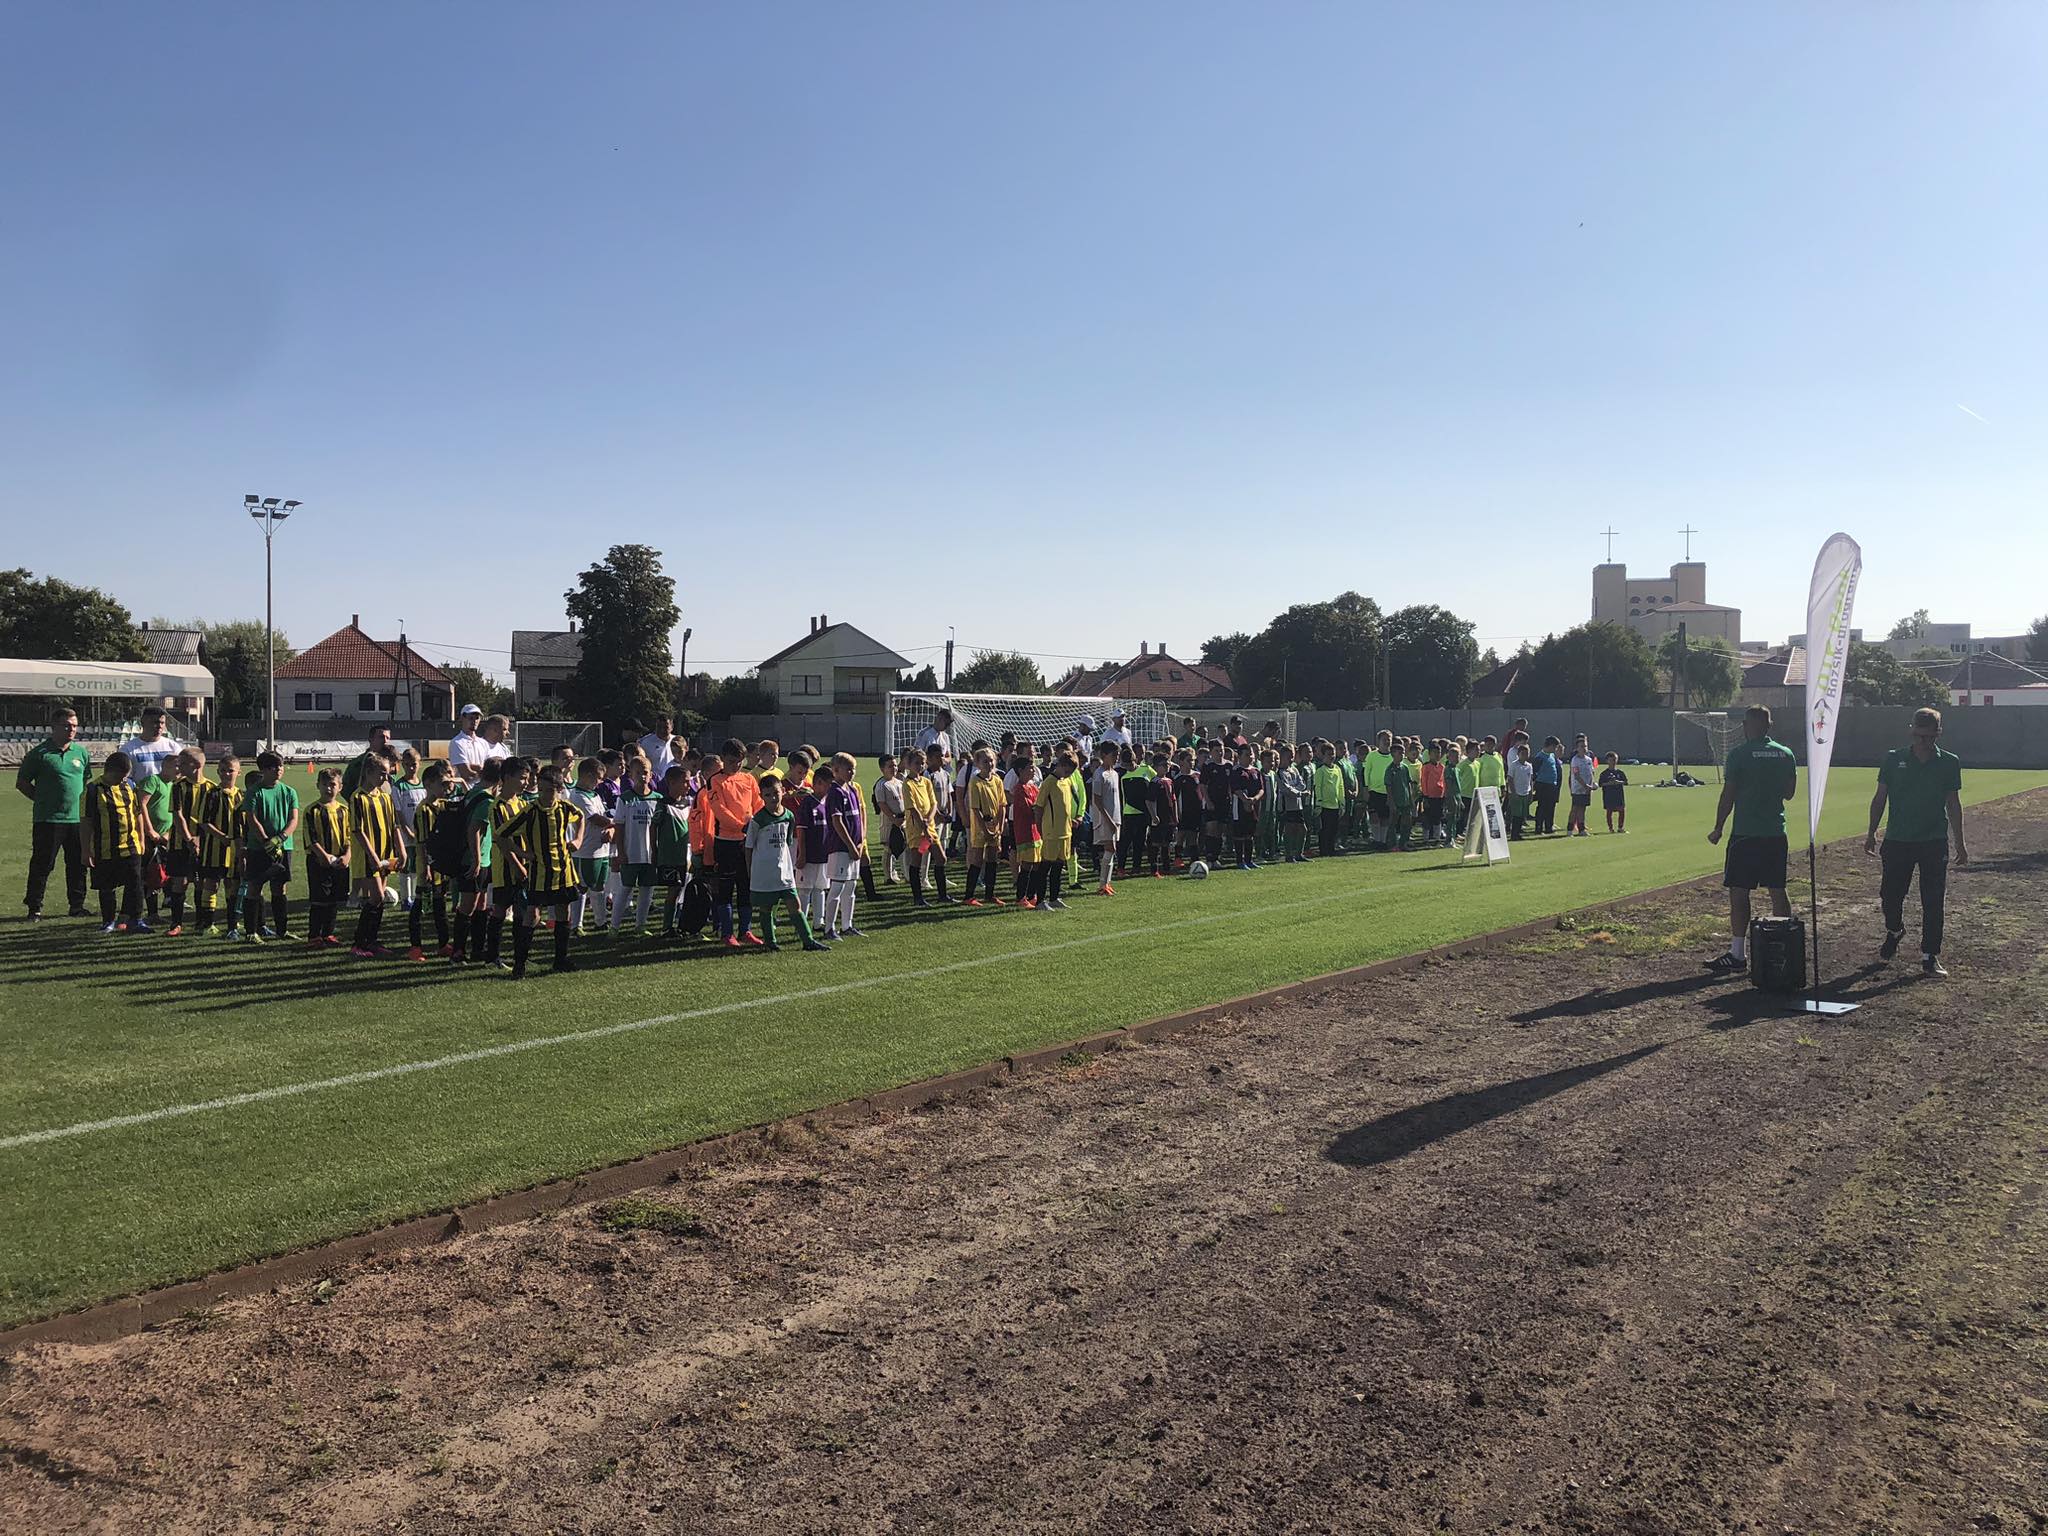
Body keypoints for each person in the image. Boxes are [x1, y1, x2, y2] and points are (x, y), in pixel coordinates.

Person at [1866, 707, 1968, 978]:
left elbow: (1953, 803)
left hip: (1933, 841)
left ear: (1938, 733)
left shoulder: (1949, 762)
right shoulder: (1893, 759)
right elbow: (1880, 798)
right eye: (1918, 736)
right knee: (1890, 896)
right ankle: (1895, 929)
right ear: (1911, 731)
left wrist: (1960, 842)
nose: (1923, 742)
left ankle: (1930, 955)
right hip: (1897, 839)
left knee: (1933, 900)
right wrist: (1871, 832)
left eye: (1929, 737)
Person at [1706, 706, 1798, 973]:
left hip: (1745, 833)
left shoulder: (1739, 754)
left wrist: (1718, 827)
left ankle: (1738, 954)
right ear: (1769, 725)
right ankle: (1784, 949)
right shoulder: (1785, 754)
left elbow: (1728, 795)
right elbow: (1789, 793)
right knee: (1777, 889)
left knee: (1739, 891)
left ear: (1748, 725)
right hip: (1775, 832)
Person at [502, 765, 587, 976]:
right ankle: (519, 964)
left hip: (564, 870)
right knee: (532, 914)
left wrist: (578, 839)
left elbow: (581, 817)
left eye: (549, 790)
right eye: (541, 790)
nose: (544, 795)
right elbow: (501, 835)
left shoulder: (565, 808)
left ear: (559, 790)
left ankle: (561, 959)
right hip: (539, 873)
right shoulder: (530, 812)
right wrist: (523, 854)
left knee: (563, 910)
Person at [17, 706, 92, 920]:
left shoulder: (81, 753)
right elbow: (22, 783)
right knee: (42, 865)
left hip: (77, 819)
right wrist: (42, 799)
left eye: (74, 726)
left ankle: (76, 906)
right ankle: (34, 907)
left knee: (78, 865)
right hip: (48, 820)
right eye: (66, 725)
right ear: (54, 726)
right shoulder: (39, 754)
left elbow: (84, 781)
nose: (72, 730)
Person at [745, 774, 828, 951]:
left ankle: (808, 941)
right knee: (766, 907)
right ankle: (770, 942)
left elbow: (788, 842)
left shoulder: (789, 816)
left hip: (784, 871)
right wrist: (750, 870)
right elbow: (749, 847)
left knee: (794, 905)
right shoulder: (758, 820)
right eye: (767, 795)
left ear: (783, 791)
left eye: (776, 793)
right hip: (764, 872)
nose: (773, 798)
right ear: (761, 796)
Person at [702, 739, 764, 944]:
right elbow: (720, 810)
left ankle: (745, 930)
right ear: (723, 759)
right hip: (725, 842)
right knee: (726, 888)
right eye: (731, 761)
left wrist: (759, 825)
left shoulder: (748, 779)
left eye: (739, 761)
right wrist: (742, 826)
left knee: (745, 887)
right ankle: (727, 933)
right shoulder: (715, 781)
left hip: (747, 842)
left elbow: (758, 805)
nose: (736, 765)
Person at [83, 751, 150, 933]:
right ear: (110, 771)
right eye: (120, 776)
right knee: (107, 886)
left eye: (125, 777)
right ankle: (108, 921)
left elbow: (138, 814)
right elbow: (86, 822)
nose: (122, 780)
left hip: (131, 844)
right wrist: (86, 850)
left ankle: (136, 919)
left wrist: (141, 839)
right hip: (105, 846)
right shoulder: (92, 790)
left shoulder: (130, 786)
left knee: (135, 883)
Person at [347, 753, 405, 957]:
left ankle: (371, 940)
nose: (385, 778)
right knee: (377, 896)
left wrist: (401, 850)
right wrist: (372, 855)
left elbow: (394, 826)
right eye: (381, 774)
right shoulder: (358, 797)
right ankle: (359, 943)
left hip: (385, 853)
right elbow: (358, 830)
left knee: (379, 899)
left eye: (387, 774)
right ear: (368, 772)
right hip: (368, 855)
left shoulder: (385, 797)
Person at [240, 750, 300, 941]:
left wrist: (280, 838)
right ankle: (251, 932)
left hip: (283, 846)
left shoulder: (289, 791)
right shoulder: (254, 792)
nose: (279, 770)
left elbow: (293, 819)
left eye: (280, 766)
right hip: (259, 848)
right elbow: (252, 819)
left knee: (279, 888)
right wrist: (266, 841)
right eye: (273, 767)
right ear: (263, 770)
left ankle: (282, 930)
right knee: (255, 886)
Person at [607, 757, 662, 938]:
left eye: (645, 772)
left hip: (650, 855)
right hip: (630, 854)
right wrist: (621, 852)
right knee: (624, 890)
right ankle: (614, 927)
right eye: (638, 772)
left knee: (647, 891)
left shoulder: (658, 799)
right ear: (631, 775)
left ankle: (640, 924)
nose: (642, 776)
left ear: (651, 775)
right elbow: (619, 827)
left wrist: (657, 852)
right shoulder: (625, 799)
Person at [163, 748, 212, 935]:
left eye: (183, 764)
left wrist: (199, 839)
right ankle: (176, 923)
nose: (179, 767)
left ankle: (201, 921)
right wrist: (189, 839)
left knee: (201, 883)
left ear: (197, 765)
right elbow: (178, 816)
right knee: (180, 882)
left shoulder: (211, 788)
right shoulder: (178, 786)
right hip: (180, 841)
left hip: (204, 843)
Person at [407, 761, 453, 960]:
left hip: (441, 865)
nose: (446, 788)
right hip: (427, 865)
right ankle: (415, 947)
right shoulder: (423, 810)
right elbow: (422, 841)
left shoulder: (443, 805)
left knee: (440, 904)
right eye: (442, 784)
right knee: (420, 905)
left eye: (447, 784)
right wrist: (425, 866)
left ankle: (443, 944)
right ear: (428, 785)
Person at [303, 768, 352, 947]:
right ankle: (314, 936)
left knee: (333, 900)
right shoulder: (312, 810)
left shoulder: (345, 810)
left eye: (332, 784)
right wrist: (323, 856)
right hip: (318, 861)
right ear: (318, 785)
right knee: (319, 900)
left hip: (340, 861)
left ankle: (328, 934)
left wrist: (347, 855)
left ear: (340, 787)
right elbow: (310, 838)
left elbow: (350, 836)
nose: (328, 788)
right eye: (324, 784)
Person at [564, 758, 612, 934]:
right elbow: (596, 819)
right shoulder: (578, 796)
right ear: (588, 775)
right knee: (581, 887)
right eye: (598, 778)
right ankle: (576, 925)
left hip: (601, 849)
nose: (600, 782)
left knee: (599, 886)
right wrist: (617, 823)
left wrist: (611, 829)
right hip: (585, 851)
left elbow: (604, 817)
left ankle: (600, 921)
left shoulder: (595, 795)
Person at [653, 763, 695, 939]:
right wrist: (654, 850)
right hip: (670, 855)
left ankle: (682, 925)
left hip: (686, 854)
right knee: (673, 890)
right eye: (685, 781)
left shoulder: (689, 803)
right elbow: (653, 827)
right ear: (671, 782)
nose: (688, 785)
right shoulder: (663, 804)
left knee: (683, 890)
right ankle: (667, 927)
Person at [1037, 748, 1077, 908]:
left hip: (1065, 831)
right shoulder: (1049, 782)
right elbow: (1039, 807)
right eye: (1066, 771)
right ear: (1060, 765)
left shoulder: (1066, 781)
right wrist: (1040, 828)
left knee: (1059, 866)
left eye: (1070, 773)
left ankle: (1054, 898)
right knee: (1045, 866)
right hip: (1051, 832)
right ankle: (1040, 900)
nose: (1068, 775)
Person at [1009, 752, 1043, 907]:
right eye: (1030, 767)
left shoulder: (1033, 787)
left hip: (1036, 831)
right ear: (1020, 771)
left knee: (1037, 863)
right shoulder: (1019, 789)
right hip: (1025, 831)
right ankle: (1020, 897)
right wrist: (1039, 810)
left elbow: (1040, 803)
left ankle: (1031, 895)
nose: (1033, 770)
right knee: (1027, 864)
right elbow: (1030, 808)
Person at [1089, 742, 1123, 894]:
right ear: (1103, 755)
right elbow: (1097, 799)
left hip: (1115, 817)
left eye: (1117, 755)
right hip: (1105, 818)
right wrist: (1108, 820)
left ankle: (1107, 884)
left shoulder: (1114, 774)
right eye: (1113, 755)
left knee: (1112, 849)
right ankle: (1102, 885)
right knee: (1110, 848)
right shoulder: (1099, 774)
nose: (1116, 758)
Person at [119, 706, 181, 787]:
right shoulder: (128, 749)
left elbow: (182, 773)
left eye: (162, 723)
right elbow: (125, 779)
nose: (160, 726)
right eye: (155, 722)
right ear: (143, 722)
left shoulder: (173, 747)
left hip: (169, 794)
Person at [1229, 743, 1264, 870]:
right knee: (1240, 833)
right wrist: (1245, 800)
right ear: (1239, 756)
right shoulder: (1236, 771)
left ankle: (1249, 860)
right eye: (1247, 754)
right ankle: (1240, 861)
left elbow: (1261, 789)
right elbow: (1235, 788)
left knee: (1250, 833)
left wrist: (1254, 799)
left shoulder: (1256, 771)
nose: (1250, 757)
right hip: (1239, 807)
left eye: (1251, 754)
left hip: (1253, 806)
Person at [340, 726, 395, 799]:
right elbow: (345, 789)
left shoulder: (391, 763)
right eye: (381, 737)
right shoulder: (358, 763)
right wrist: (359, 802)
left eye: (387, 738)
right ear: (370, 739)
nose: (385, 741)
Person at [1311, 742, 1345, 859]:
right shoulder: (1321, 770)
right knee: (1325, 829)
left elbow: (1340, 786)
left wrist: (1342, 802)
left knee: (1334, 829)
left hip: (1335, 805)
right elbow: (1318, 787)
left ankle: (1331, 849)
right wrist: (1319, 803)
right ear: (1323, 755)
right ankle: (1323, 850)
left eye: (1333, 754)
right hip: (1325, 806)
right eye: (1329, 754)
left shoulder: (1337, 769)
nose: (1332, 756)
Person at [448, 704, 491, 782]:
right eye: (471, 718)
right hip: (466, 788)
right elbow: (466, 774)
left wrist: (476, 768)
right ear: (462, 718)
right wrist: (484, 773)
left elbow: (490, 767)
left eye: (477, 718)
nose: (474, 721)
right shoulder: (457, 742)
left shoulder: (484, 743)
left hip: (483, 787)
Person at [1530, 738, 1563, 835]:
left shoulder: (1552, 756)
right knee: (1542, 807)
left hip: (1552, 785)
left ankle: (1549, 827)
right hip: (1542, 785)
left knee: (1550, 807)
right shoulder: (1540, 757)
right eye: (1555, 747)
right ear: (1551, 745)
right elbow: (1534, 773)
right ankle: (1538, 828)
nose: (1556, 749)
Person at [1565, 736, 1596, 836]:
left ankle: (1581, 829)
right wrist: (1585, 785)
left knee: (1583, 809)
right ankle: (1569, 829)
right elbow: (1576, 775)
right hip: (1578, 789)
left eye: (1585, 746)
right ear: (1577, 748)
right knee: (1575, 808)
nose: (1584, 748)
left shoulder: (1589, 760)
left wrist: (1592, 784)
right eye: (1582, 746)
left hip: (1587, 789)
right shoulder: (1575, 760)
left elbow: (1591, 773)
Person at [1506, 744, 1534, 841]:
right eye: (1522, 753)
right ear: (1518, 754)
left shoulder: (1529, 766)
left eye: (1527, 753)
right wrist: (1513, 792)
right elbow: (1510, 779)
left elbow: (1530, 780)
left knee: (1522, 814)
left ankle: (1518, 833)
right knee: (1516, 815)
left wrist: (1531, 792)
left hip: (1525, 792)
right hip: (1516, 793)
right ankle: (1514, 834)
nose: (1525, 755)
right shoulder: (1514, 765)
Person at [638, 716, 677, 783]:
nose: (662, 730)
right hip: (654, 782)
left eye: (665, 727)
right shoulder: (645, 742)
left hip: (673, 781)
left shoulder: (677, 741)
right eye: (659, 727)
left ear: (672, 727)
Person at [1599, 753, 1629, 833]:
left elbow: (1625, 782)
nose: (1613, 762)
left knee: (1621, 810)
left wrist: (1618, 782)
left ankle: (1620, 827)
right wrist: (1609, 783)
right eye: (1611, 760)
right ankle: (1610, 828)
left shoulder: (1620, 772)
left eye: (1615, 759)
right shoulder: (1604, 773)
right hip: (1608, 795)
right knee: (1609, 811)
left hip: (1619, 795)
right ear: (1607, 761)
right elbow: (1601, 784)